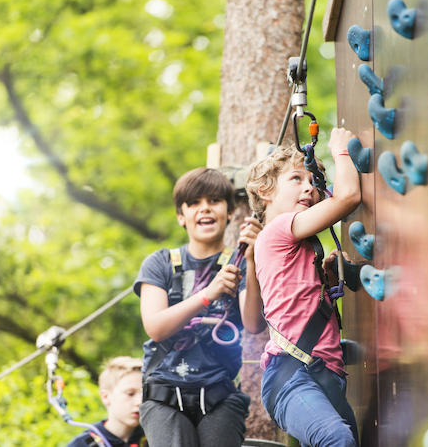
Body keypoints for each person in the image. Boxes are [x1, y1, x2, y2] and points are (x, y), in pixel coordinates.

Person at [244, 128, 361, 447]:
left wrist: (327, 280)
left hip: (324, 373)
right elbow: (349, 197)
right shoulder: (279, 228)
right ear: (265, 191)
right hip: (293, 376)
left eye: (313, 181)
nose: (309, 187)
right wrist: (342, 151)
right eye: (296, 179)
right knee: (337, 439)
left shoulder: (301, 248)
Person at [133, 167, 264, 447]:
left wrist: (252, 261)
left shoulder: (240, 263)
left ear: (229, 212)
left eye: (214, 201)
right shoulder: (160, 264)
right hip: (164, 392)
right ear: (182, 216)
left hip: (220, 394)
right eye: (194, 203)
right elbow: (156, 327)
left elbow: (254, 324)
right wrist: (208, 294)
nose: (205, 209)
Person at [66, 356, 147, 447]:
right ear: (106, 397)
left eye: (145, 394)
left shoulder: (154, 439)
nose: (140, 402)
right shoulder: (82, 444)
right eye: (130, 393)